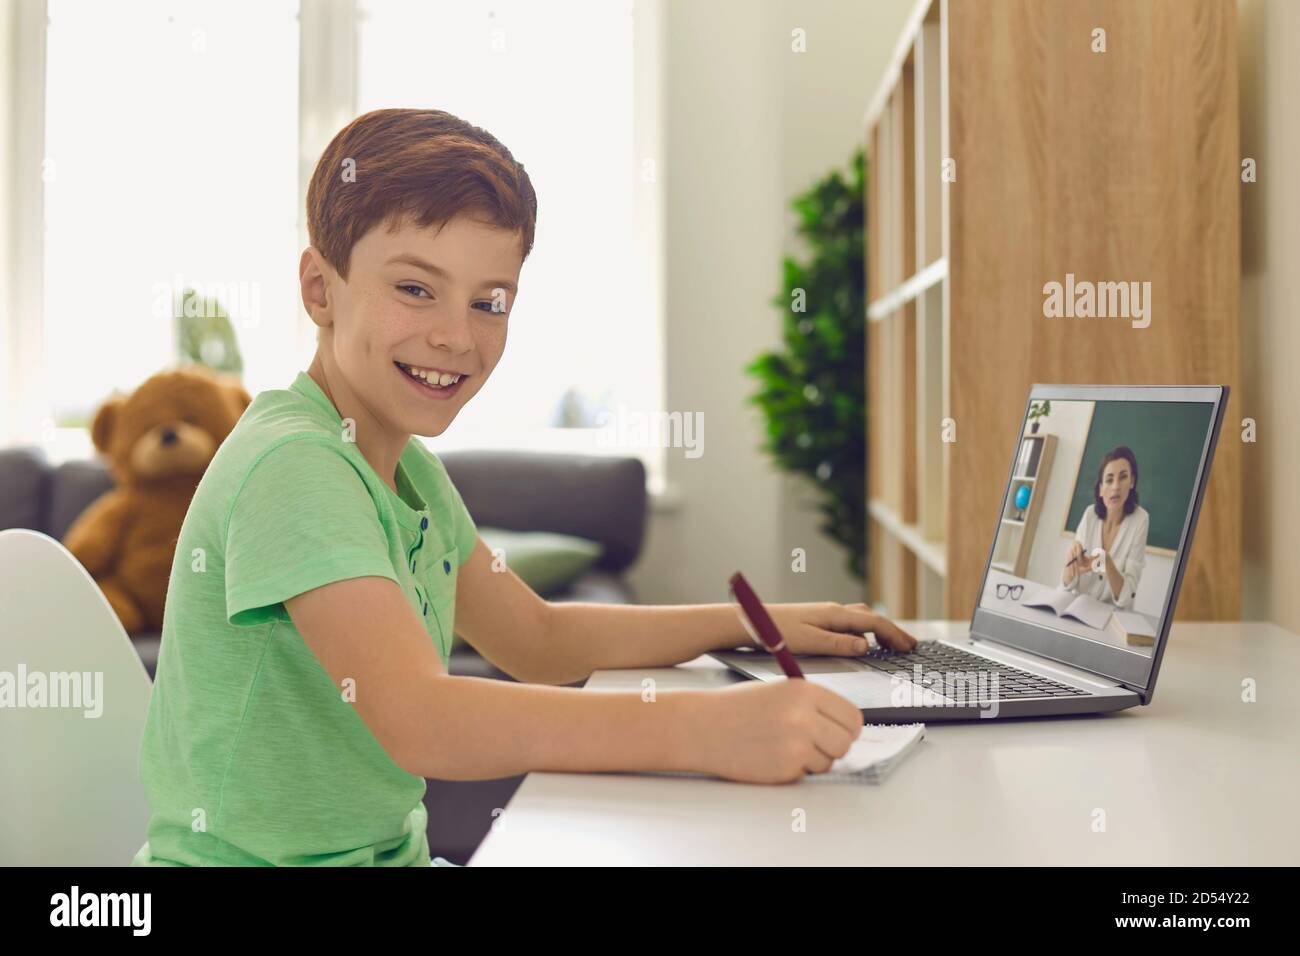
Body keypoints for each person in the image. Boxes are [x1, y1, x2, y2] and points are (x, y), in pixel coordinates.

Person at [132, 108, 916, 867]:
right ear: (319, 288)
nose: (456, 335)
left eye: (489, 302)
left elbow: (536, 640)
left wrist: (751, 623)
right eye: (415, 288)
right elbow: (422, 719)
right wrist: (706, 729)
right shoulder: (295, 465)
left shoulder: (407, 472)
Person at [1062, 445, 1149, 608]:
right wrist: (1070, 559)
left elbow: (1126, 597)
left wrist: (1107, 562)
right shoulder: (1090, 514)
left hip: (1111, 619)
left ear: (1132, 481)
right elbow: (1068, 583)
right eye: (1109, 480)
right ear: (1101, 489)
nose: (1116, 486)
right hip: (1078, 609)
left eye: (1123, 477)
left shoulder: (1140, 520)